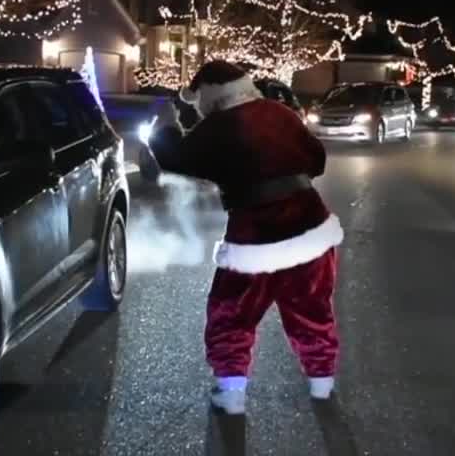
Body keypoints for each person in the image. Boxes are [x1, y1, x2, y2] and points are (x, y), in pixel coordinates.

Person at [147, 60, 343, 415]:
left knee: (231, 311)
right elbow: (317, 160)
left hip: (254, 232)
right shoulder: (280, 112)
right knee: (312, 307)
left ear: (207, 97)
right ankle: (321, 382)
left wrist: (165, 129)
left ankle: (232, 392)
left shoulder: (217, 128)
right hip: (310, 222)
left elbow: (177, 159)